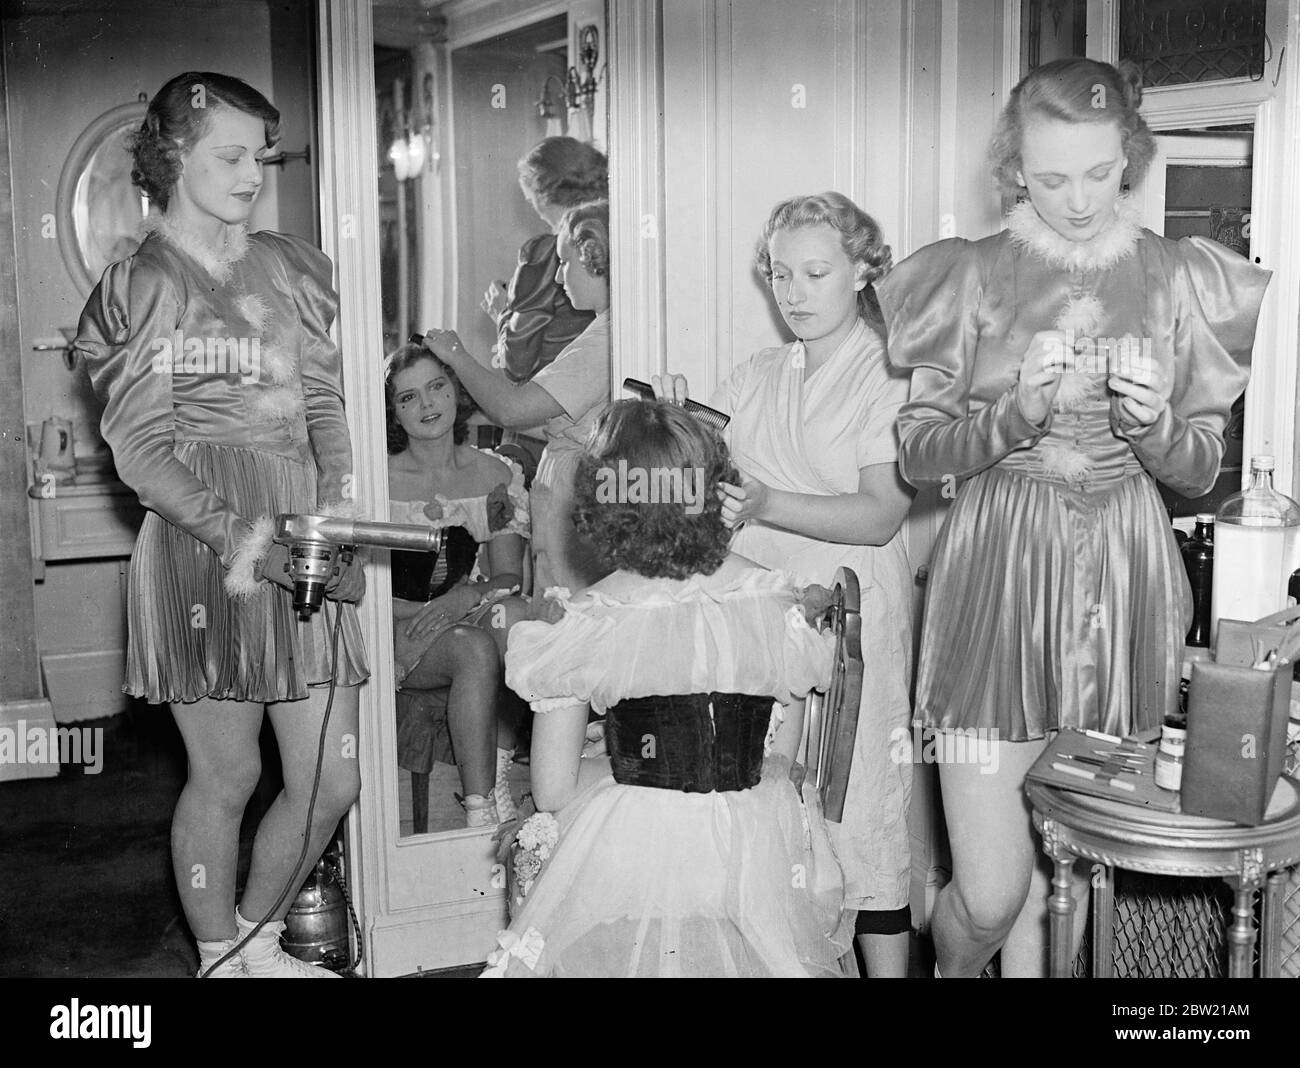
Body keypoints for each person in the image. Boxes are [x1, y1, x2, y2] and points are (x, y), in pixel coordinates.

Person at [875, 57, 1271, 977]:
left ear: (1130, 154)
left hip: (1124, 586)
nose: (1081, 199)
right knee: (989, 894)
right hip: (995, 584)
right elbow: (917, 453)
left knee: (1071, 886)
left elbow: (1205, 467)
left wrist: (1155, 425)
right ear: (1015, 168)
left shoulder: (1181, 279)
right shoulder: (970, 278)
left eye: (1100, 172)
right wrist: (1011, 414)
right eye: (1052, 178)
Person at [74, 72, 369, 977]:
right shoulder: (147, 282)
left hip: (298, 523)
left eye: (260, 156)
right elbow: (141, 452)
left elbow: (323, 399)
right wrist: (254, 544)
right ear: (174, 159)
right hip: (210, 545)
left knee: (333, 777)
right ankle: (217, 957)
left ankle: (255, 937)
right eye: (230, 156)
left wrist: (337, 509)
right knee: (230, 776)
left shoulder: (290, 263)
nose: (251, 174)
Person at [481, 400, 852, 977]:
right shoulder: (777, 600)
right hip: (754, 858)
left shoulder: (590, 617)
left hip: (634, 858)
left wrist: (628, 764)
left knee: (548, 844)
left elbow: (553, 788)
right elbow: (778, 758)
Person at [654, 192, 916, 977]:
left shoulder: (895, 374)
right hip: (762, 630)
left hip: (852, 622)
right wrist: (665, 436)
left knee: (859, 820)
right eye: (779, 274)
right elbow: (695, 489)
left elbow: (878, 515)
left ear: (864, 269)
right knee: (772, 821)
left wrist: (765, 501)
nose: (793, 292)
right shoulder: (755, 374)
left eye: (814, 272)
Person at [423, 200, 611, 596]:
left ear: (595, 260)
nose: (559, 277)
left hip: (577, 511)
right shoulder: (601, 332)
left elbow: (513, 406)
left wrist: (456, 354)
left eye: (565, 262)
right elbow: (546, 417)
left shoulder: (605, 341)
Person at [384, 343, 531, 827]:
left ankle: (498, 772)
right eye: (408, 398)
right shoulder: (376, 481)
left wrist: (463, 596)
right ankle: (479, 810)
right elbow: (360, 589)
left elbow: (510, 577)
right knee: (472, 649)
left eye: (436, 387)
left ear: (455, 391)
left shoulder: (495, 475)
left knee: (515, 620)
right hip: (393, 625)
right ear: (393, 412)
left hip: (461, 613)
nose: (427, 406)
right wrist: (426, 614)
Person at [482, 136, 607, 382]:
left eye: (530, 198)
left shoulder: (543, 256)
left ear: (542, 195)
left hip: (561, 395)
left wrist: (503, 312)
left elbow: (516, 365)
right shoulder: (612, 231)